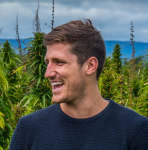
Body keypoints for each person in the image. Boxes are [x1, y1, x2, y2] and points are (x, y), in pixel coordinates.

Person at [9, 19, 148, 150]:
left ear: (90, 66)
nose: (48, 73)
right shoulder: (29, 129)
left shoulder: (135, 130)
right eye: (48, 63)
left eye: (59, 62)